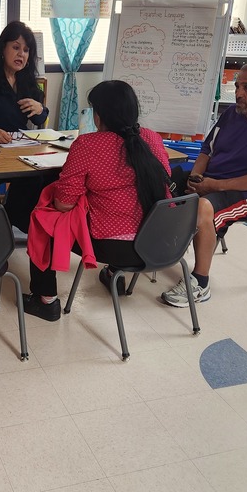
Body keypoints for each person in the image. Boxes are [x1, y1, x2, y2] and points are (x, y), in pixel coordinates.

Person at [23, 80, 172, 321]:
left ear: (99, 115)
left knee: (44, 218)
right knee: (123, 210)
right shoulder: (152, 138)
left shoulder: (88, 144)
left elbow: (63, 204)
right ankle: (114, 274)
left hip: (117, 248)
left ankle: (45, 299)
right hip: (162, 242)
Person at [161, 61, 247, 308]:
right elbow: (206, 150)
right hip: (212, 179)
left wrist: (214, 186)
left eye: (246, 87)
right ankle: (154, 250)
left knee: (203, 207)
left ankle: (201, 283)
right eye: (237, 86)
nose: (238, 93)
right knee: (161, 182)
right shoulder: (231, 114)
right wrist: (196, 177)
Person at [0, 20, 52, 232]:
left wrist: (40, 109)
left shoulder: (27, 80)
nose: (21, 54)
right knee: (32, 177)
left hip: (20, 149)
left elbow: (39, 120)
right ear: (3, 49)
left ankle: (23, 222)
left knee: (52, 174)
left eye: (26, 50)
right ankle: (16, 222)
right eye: (16, 47)